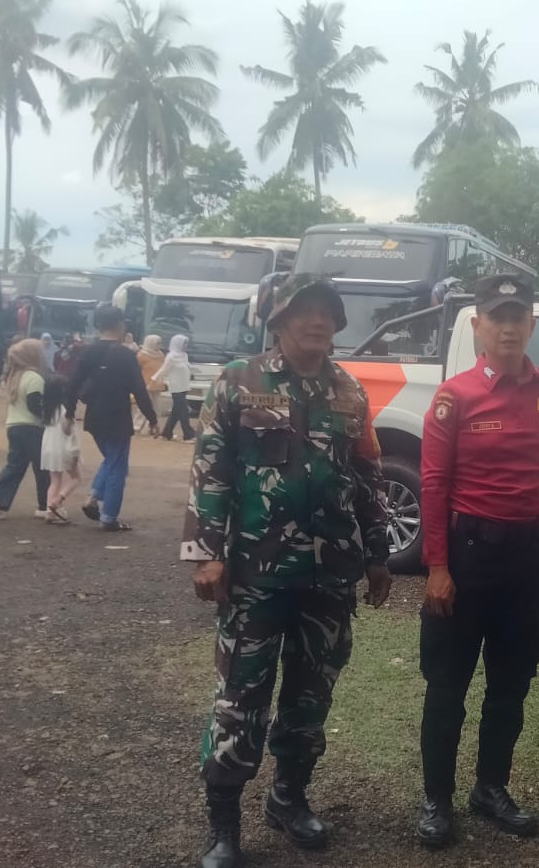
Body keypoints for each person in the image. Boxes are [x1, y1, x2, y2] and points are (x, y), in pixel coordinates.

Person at [184, 274, 392, 868]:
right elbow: (211, 468)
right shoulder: (238, 381)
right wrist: (206, 552)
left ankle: (288, 797)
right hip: (257, 575)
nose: (318, 320)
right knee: (241, 695)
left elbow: (367, 477)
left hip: (329, 576)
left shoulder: (350, 391)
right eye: (305, 310)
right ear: (277, 321)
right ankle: (224, 823)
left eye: (327, 311)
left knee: (310, 694)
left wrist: (377, 554)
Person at [415, 273, 539, 848]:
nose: (508, 327)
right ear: (478, 325)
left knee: (511, 681)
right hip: (466, 557)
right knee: (448, 685)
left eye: (518, 317)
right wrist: (436, 567)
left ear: (532, 325)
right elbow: (433, 484)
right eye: (497, 317)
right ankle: (437, 801)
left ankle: (490, 788)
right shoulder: (455, 396)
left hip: (525, 555)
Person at [64, 304, 153, 531]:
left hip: (94, 418)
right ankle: (109, 516)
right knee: (117, 467)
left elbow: (73, 384)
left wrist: (69, 413)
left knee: (112, 460)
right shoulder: (126, 355)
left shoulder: (87, 352)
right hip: (118, 419)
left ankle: (93, 498)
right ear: (120, 325)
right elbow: (139, 390)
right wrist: (152, 419)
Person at [0, 338, 51, 520]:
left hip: (14, 426)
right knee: (42, 468)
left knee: (15, 466)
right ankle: (46, 505)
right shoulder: (34, 377)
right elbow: (34, 405)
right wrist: (49, 416)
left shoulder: (14, 377)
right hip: (32, 428)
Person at [39, 373, 84, 524]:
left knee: (54, 481)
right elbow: (69, 433)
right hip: (63, 449)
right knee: (76, 478)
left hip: (49, 448)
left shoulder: (48, 411)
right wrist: (76, 453)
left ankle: (49, 512)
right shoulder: (66, 411)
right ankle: (57, 501)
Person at [154, 333, 194, 442]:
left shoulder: (184, 355)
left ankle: (166, 433)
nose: (186, 346)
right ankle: (188, 435)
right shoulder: (171, 357)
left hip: (184, 386)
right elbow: (163, 370)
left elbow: (186, 367)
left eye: (186, 344)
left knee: (176, 411)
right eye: (184, 344)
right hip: (176, 387)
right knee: (184, 411)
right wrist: (154, 379)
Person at [134, 334, 165, 436]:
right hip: (145, 384)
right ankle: (137, 426)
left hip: (157, 385)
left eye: (160, 343)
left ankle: (152, 427)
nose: (159, 345)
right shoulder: (141, 355)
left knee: (156, 408)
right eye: (157, 343)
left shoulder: (161, 355)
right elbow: (136, 369)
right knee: (144, 407)